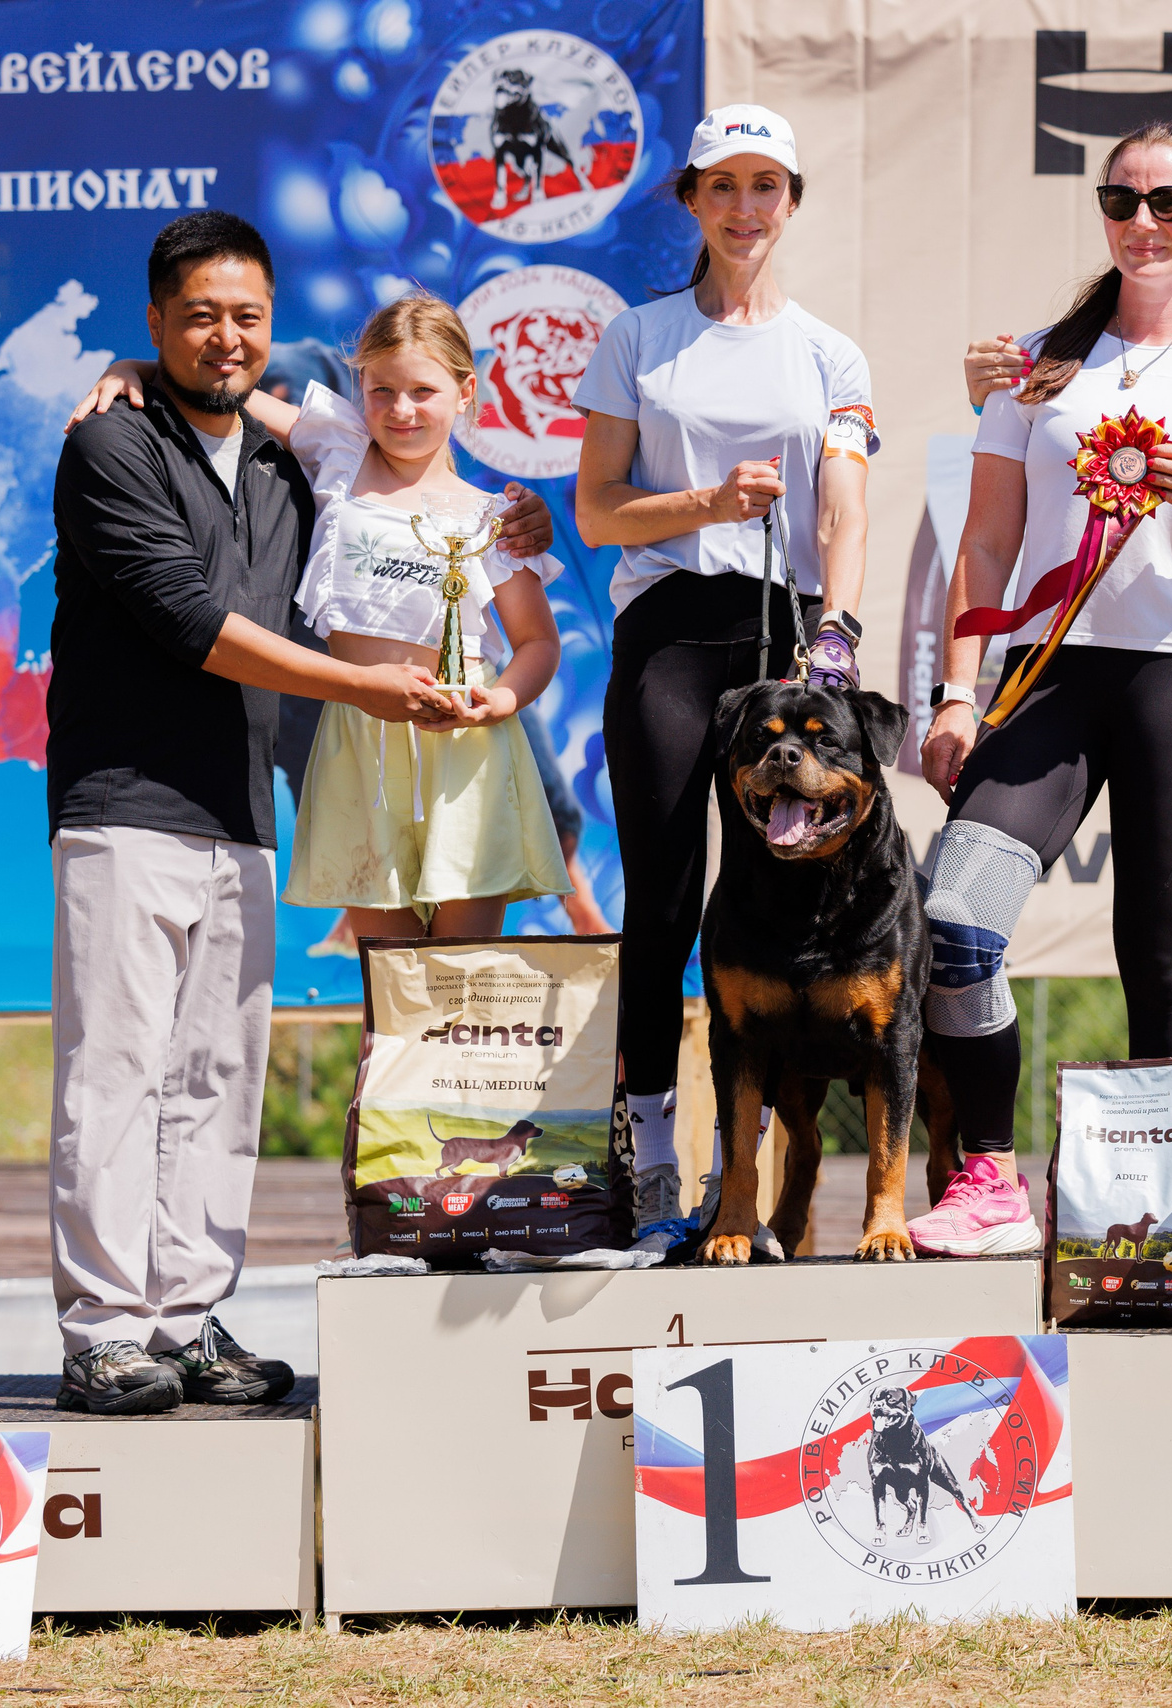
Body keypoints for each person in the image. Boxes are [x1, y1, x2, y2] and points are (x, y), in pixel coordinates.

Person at [47, 212, 551, 1413]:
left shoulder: (290, 464)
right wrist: (370, 689)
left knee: (218, 1074)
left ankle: (185, 1315)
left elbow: (387, 469)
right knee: (115, 1071)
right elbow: (187, 617)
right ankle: (106, 1327)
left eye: (248, 318)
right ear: (160, 320)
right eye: (199, 315)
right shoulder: (114, 444)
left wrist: (511, 516)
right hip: (124, 801)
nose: (226, 337)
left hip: (243, 811)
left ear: (271, 334)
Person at [916, 121, 1172, 1255]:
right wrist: (955, 691)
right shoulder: (1038, 360)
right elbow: (985, 544)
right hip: (1052, 674)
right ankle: (988, 1182)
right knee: (956, 915)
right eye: (1123, 200)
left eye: (1170, 201)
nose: (1145, 222)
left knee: (1158, 962)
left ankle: (1164, 1228)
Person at [574, 104, 880, 1253]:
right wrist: (704, 502)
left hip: (788, 636)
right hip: (672, 624)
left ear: (790, 202)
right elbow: (598, 510)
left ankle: (755, 1176)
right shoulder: (635, 337)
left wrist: (836, 628)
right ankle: (650, 1151)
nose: (746, 207)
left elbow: (844, 498)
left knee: (786, 897)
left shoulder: (828, 353)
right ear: (692, 201)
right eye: (724, 186)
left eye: (767, 186)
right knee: (660, 896)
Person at [75, 295, 575, 939]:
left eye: (423, 390)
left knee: (461, 972)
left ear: (466, 391)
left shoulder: (496, 519)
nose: (400, 410)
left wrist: (500, 702)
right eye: (381, 389)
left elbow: (537, 641)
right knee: (389, 980)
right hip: (356, 739)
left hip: (465, 752)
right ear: (358, 387)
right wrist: (132, 368)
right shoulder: (339, 451)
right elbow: (226, 388)